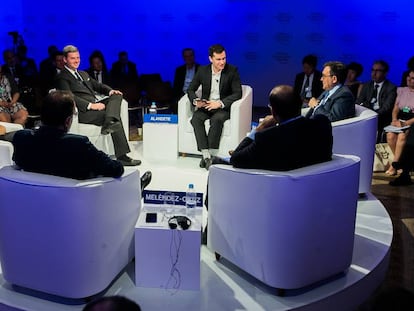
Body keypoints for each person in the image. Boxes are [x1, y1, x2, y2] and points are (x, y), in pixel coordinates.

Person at [12, 90, 152, 190]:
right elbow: (116, 169)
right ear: (68, 121)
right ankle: (135, 190)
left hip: (31, 202)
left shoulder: (21, 138)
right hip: (80, 206)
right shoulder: (78, 144)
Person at [55, 45, 140, 166]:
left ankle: (110, 120)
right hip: (83, 112)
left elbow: (98, 86)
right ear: (65, 60)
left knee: (117, 96)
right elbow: (69, 97)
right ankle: (122, 155)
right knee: (113, 117)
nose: (76, 61)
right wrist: (90, 105)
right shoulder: (62, 77)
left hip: (96, 105)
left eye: (78, 57)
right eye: (73, 58)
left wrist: (110, 91)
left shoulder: (83, 73)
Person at [229, 85, 332, 170]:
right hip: (320, 186)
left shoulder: (267, 138)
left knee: (218, 161)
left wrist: (259, 128)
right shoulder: (322, 123)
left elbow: (235, 159)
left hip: (276, 189)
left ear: (273, 111)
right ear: (300, 105)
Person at [187, 44, 242, 170]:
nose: (222, 62)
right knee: (196, 119)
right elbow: (190, 89)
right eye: (218, 59)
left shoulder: (232, 71)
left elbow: (238, 93)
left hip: (222, 107)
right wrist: (196, 101)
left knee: (216, 120)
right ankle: (207, 156)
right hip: (206, 105)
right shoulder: (202, 70)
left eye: (224, 58)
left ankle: (209, 156)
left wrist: (220, 103)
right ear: (211, 59)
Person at [357, 60, 397, 142]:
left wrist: (373, 115)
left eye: (378, 71)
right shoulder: (367, 85)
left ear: (385, 73)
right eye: (372, 70)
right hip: (366, 114)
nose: (374, 73)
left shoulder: (391, 87)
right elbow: (359, 102)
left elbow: (386, 108)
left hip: (381, 117)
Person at [384, 69, 414, 176]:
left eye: (413, 78)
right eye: (408, 77)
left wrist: (405, 124)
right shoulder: (401, 90)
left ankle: (394, 165)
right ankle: (400, 164)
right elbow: (396, 108)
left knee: (402, 136)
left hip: (412, 120)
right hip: (400, 119)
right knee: (390, 135)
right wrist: (394, 119)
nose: (409, 80)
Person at [172, 48, 199, 112]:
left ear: (194, 56)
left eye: (190, 56)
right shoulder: (179, 70)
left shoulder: (200, 69)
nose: (189, 58)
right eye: (186, 56)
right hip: (182, 95)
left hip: (196, 95)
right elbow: (176, 87)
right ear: (183, 58)